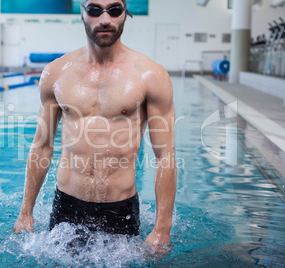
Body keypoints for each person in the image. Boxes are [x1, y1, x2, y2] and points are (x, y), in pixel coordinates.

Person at [13, 0, 177, 248]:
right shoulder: (56, 73)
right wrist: (26, 211)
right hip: (66, 207)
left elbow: (165, 155)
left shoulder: (150, 75)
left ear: (125, 14)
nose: (104, 19)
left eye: (114, 10)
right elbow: (41, 147)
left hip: (120, 209)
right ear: (82, 12)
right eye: (94, 9)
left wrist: (162, 229)